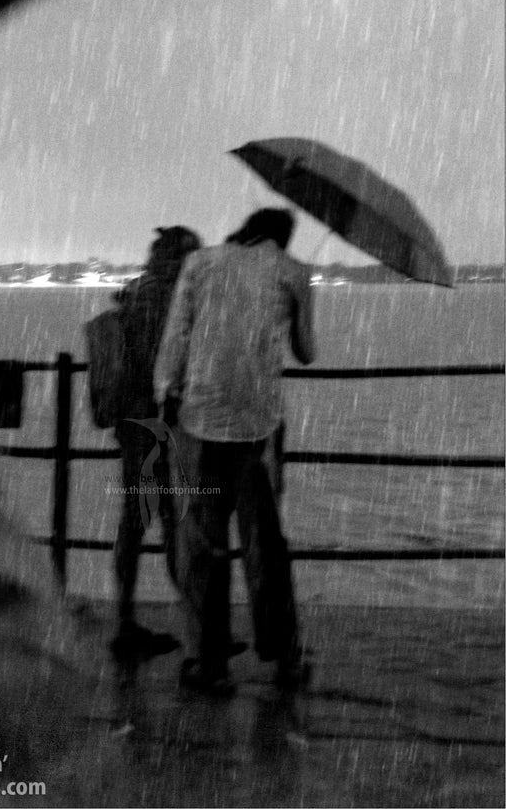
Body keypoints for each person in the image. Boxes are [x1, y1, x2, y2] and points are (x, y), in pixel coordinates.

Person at [154, 208, 314, 693]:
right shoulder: (293, 272)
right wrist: (297, 308)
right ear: (283, 239)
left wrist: (166, 391)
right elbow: (307, 351)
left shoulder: (200, 263)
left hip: (197, 421)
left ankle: (207, 660)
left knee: (201, 543)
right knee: (264, 545)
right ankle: (284, 658)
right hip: (256, 427)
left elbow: (176, 338)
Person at [110, 226, 201, 659]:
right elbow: (162, 363)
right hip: (158, 421)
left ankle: (127, 619)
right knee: (166, 518)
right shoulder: (167, 296)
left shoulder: (137, 291)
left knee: (139, 519)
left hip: (133, 421)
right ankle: (195, 627)